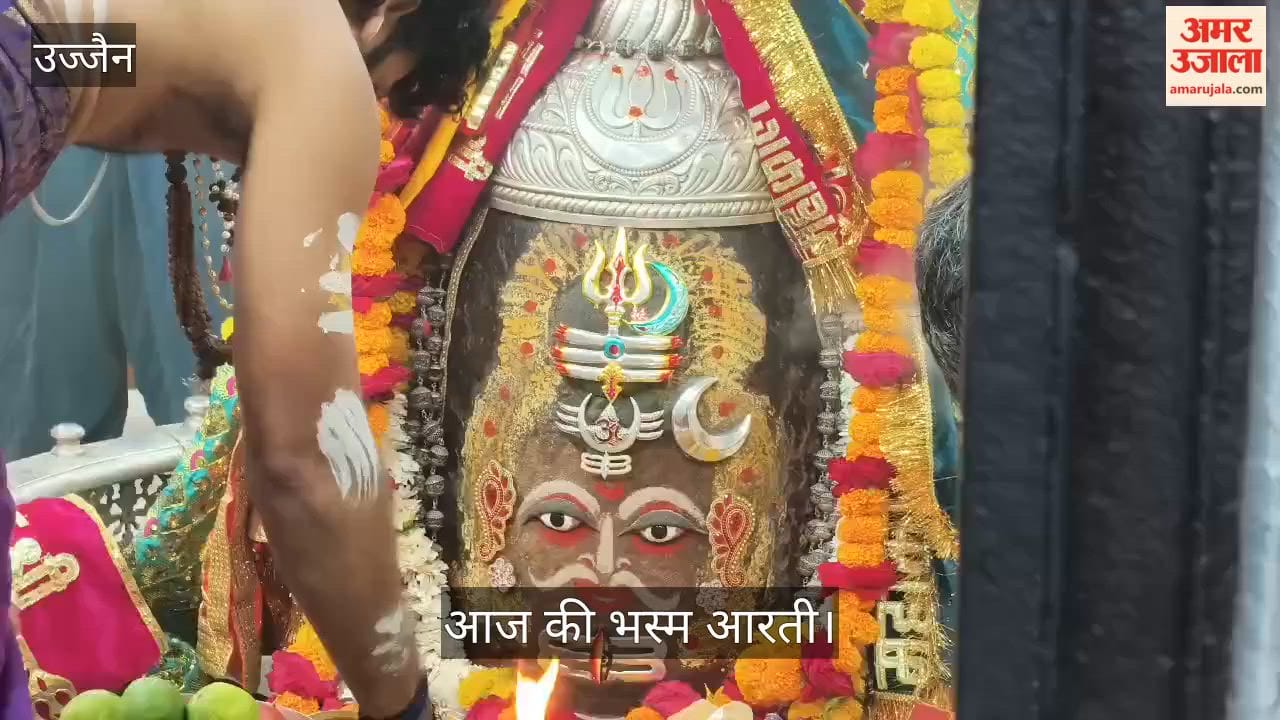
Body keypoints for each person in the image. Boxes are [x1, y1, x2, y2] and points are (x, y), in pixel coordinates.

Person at [0, 0, 488, 717]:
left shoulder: (97, 45)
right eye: (381, 89)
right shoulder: (320, 50)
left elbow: (57, 59)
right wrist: (404, 704)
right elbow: (304, 462)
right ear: (391, 12)